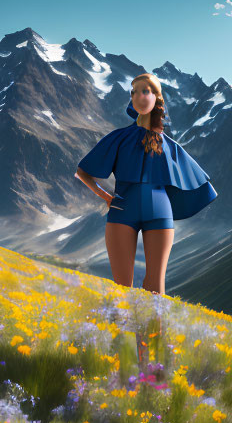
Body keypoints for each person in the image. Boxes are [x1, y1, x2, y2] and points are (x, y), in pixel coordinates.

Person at [74, 72, 217, 298]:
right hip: (122, 211)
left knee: (155, 291)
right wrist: (105, 197)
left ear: (157, 98)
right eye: (133, 92)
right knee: (122, 291)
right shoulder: (119, 138)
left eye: (144, 91)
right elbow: (83, 172)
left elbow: (198, 183)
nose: (138, 96)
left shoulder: (171, 146)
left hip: (159, 214)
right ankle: (118, 334)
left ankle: (151, 335)